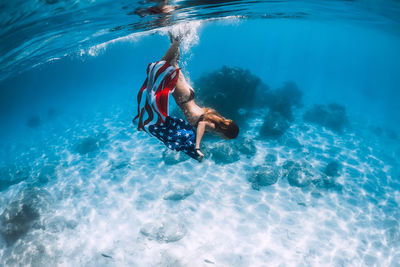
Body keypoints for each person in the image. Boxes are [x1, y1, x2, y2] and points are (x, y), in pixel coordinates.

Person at [133, 35, 239, 161]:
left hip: (188, 95)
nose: (225, 140)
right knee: (164, 66)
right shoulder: (214, 126)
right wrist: (197, 147)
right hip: (183, 97)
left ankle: (175, 38)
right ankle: (178, 39)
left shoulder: (218, 120)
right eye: (227, 138)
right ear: (227, 134)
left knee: (172, 63)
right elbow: (202, 124)